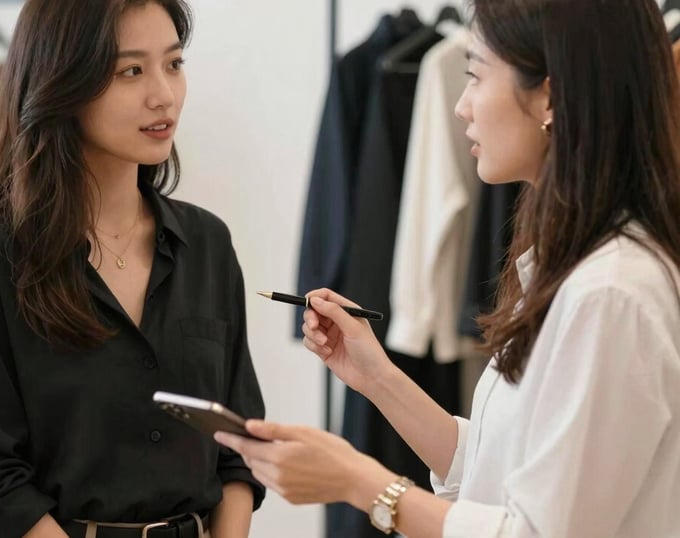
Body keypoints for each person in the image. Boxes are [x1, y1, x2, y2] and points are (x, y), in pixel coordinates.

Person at [216, 0, 680, 536]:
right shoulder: (574, 271)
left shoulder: (611, 295)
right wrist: (378, 377)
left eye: (476, 76)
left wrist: (359, 482)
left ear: (550, 96)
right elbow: (490, 467)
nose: (461, 106)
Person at [0, 1, 265, 537]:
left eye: (173, 64)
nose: (164, 95)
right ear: (62, 82)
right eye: (130, 71)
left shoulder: (207, 244)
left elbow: (241, 444)